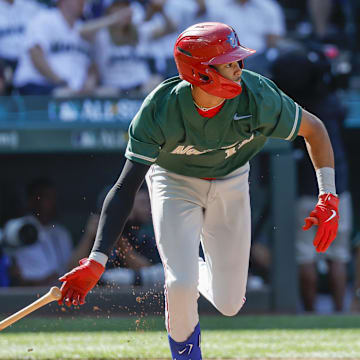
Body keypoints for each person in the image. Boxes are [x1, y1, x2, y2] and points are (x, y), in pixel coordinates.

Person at [58, 22, 340, 359]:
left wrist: (328, 195)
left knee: (230, 303)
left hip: (231, 180)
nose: (238, 68)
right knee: (179, 285)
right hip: (173, 182)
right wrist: (97, 259)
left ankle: (189, 267)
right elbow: (125, 188)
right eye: (228, 62)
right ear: (200, 72)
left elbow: (315, 130)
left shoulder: (258, 94)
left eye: (237, 60)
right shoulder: (159, 109)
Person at [271, 46, 352, 312]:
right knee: (337, 255)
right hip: (336, 190)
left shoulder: (290, 107)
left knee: (305, 254)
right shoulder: (328, 101)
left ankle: (311, 314)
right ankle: (339, 312)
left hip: (305, 192)